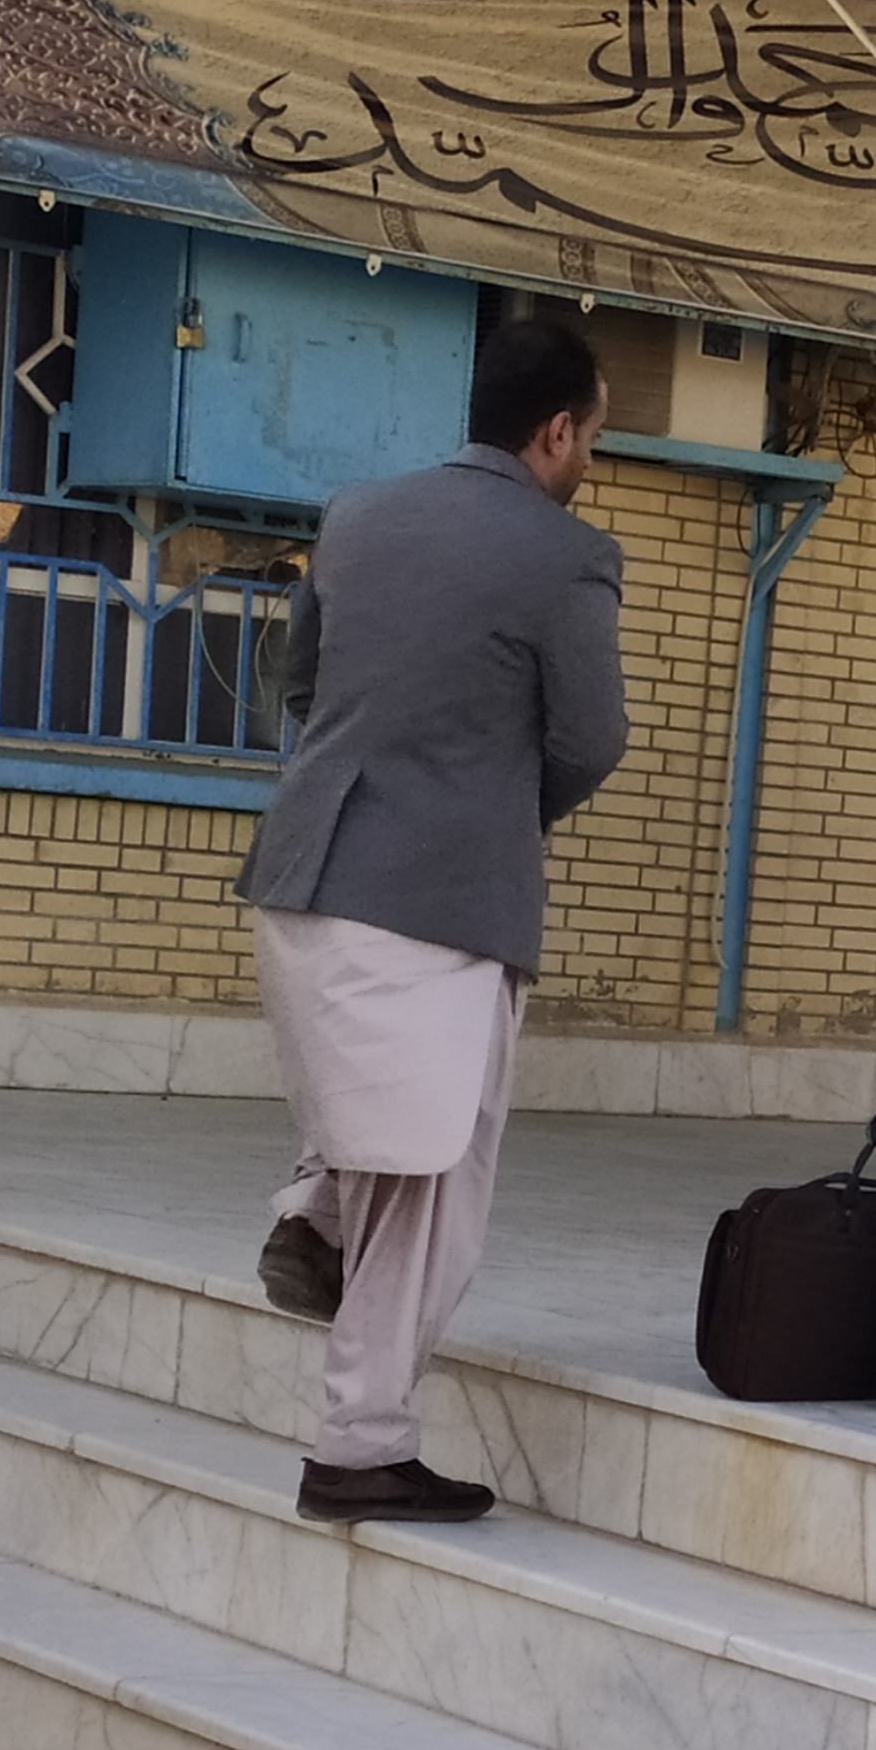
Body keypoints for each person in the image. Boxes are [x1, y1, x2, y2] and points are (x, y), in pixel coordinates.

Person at [238, 318, 628, 1524]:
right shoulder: (565, 554)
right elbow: (589, 739)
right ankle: (358, 1447)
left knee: (378, 1141)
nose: (589, 460)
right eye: (592, 438)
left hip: (305, 876)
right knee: (431, 1190)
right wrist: (493, 808)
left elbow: (300, 685)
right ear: (556, 432)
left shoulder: (355, 518)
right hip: (438, 905)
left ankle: (317, 1215)